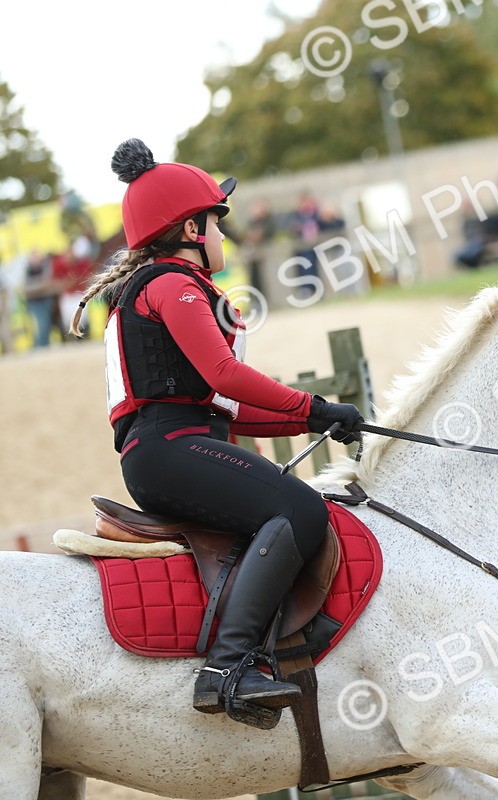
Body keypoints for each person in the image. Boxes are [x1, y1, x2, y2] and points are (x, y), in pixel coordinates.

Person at [71, 139, 365, 726]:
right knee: (302, 511)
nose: (223, 235)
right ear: (188, 229)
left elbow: (224, 407)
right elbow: (224, 373)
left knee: (294, 507)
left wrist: (313, 417)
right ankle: (227, 667)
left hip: (181, 442)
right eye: (216, 222)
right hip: (168, 450)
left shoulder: (168, 284)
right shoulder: (171, 286)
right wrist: (309, 400)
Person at [23, 250, 57, 348]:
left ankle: (44, 344)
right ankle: (40, 345)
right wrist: (39, 285)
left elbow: (47, 282)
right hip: (34, 301)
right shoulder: (26, 269)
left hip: (45, 299)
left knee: (46, 323)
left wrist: (35, 286)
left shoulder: (44, 267)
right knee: (41, 324)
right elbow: (25, 287)